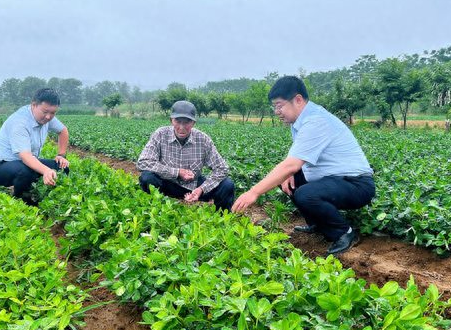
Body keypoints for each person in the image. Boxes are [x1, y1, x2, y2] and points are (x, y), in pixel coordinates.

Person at [232, 76, 375, 255]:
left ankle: (344, 233)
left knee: (305, 193)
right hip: (336, 180)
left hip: (357, 184)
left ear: (298, 100)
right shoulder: (300, 122)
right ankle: (317, 223)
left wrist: (253, 192)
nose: (276, 111)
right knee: (288, 179)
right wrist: (292, 172)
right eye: (274, 106)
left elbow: (291, 164)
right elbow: (296, 160)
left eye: (279, 105)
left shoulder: (316, 121)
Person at [137, 100, 235, 211]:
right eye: (178, 121)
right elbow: (143, 162)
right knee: (147, 177)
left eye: (187, 122)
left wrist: (201, 189)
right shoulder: (160, 134)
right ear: (171, 120)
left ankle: (222, 220)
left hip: (194, 185)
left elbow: (222, 168)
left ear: (193, 123)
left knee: (227, 185)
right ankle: (155, 211)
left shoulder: (203, 140)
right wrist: (177, 172)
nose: (182, 127)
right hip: (167, 182)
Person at [0, 88, 70, 206]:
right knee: (26, 171)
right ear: (34, 105)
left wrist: (61, 155)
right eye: (45, 112)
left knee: (62, 166)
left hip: (25, 162)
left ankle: (51, 197)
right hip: (0, 167)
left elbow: (63, 131)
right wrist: (46, 170)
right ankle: (21, 199)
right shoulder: (20, 122)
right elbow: (25, 157)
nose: (48, 117)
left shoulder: (46, 117)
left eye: (53, 113)